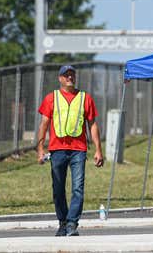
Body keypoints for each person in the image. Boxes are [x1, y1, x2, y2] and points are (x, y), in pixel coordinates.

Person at [36, 65, 104, 237]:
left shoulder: (85, 98)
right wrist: (40, 148)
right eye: (66, 75)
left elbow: (92, 124)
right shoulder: (51, 98)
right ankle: (63, 222)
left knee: (78, 188)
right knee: (58, 188)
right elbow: (44, 124)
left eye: (72, 75)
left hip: (78, 150)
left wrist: (98, 149)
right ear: (59, 79)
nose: (70, 78)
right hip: (57, 150)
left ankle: (72, 223)